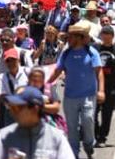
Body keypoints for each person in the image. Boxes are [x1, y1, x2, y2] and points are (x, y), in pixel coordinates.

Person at [47, 21, 104, 159]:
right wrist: (45, 85)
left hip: (88, 95)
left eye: (71, 36)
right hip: (70, 96)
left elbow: (99, 72)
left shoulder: (91, 53)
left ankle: (89, 145)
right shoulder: (66, 54)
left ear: (79, 37)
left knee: (88, 119)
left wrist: (101, 90)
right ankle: (74, 153)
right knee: (72, 127)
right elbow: (57, 70)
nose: (69, 39)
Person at [0, 87, 76, 159]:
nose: (12, 112)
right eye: (11, 107)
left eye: (18, 108)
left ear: (35, 109)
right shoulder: (4, 136)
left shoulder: (57, 138)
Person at [94, 26, 115, 148]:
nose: (106, 39)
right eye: (104, 36)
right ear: (101, 36)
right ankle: (95, 134)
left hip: (112, 86)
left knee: (107, 114)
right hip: (96, 85)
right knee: (93, 112)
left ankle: (102, 137)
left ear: (112, 36)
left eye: (109, 37)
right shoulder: (96, 48)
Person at [0, 49, 28, 129]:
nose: (10, 63)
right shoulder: (3, 77)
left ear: (18, 60)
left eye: (13, 59)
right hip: (11, 114)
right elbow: (2, 97)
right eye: (8, 60)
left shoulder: (27, 72)